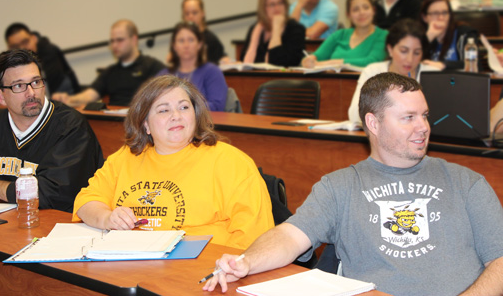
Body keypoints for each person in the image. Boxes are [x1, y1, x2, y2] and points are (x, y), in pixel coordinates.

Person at [205, 72, 503, 295]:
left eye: (424, 115)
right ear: (373, 124)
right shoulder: (340, 187)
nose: (423, 127)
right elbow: (289, 237)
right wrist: (246, 262)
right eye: (408, 117)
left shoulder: (467, 182)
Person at [72, 75, 274, 250]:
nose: (176, 116)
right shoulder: (126, 157)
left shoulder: (232, 163)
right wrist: (107, 218)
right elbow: (86, 202)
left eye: (184, 107)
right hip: (132, 263)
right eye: (163, 110)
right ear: (145, 124)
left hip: (203, 270)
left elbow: (254, 238)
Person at [0, 50, 104, 213]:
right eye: (19, 86)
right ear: (0, 96)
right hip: (10, 223)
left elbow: (50, 195)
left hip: (60, 225)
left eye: (36, 82)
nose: (31, 93)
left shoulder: (71, 126)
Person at [53, 19, 165, 107]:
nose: (114, 45)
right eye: (112, 41)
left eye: (120, 40)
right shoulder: (110, 72)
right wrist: (67, 99)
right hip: (113, 122)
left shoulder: (152, 66)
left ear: (134, 40)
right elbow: (89, 95)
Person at [348, 19, 439, 123]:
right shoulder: (373, 71)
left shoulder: (433, 75)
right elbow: (355, 115)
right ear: (390, 49)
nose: (409, 59)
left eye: (417, 53)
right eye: (403, 51)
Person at [302, 0, 388, 68]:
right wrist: (308, 61)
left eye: (366, 8)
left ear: (373, 10)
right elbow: (316, 56)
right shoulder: (340, 34)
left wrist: (334, 63)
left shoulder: (383, 35)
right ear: (348, 15)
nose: (361, 12)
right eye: (355, 9)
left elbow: (372, 62)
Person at [157, 22, 227, 112]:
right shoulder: (164, 75)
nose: (186, 45)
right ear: (174, 46)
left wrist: (183, 108)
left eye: (191, 40)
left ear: (199, 45)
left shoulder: (212, 72)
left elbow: (217, 106)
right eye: (181, 41)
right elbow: (153, 103)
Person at [5, 22, 80, 95]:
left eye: (25, 42)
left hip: (64, 96)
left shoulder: (50, 51)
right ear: (9, 48)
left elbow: (44, 82)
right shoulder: (11, 63)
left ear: (34, 38)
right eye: (15, 46)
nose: (22, 48)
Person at [241, 0, 305, 67]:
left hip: (283, 78)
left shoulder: (296, 29)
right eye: (272, 4)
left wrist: (277, 29)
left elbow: (276, 62)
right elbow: (243, 60)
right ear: (263, 8)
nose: (277, 8)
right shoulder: (255, 29)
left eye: (280, 3)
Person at [420, 0, 479, 70]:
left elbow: (475, 65)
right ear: (424, 17)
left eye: (444, 13)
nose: (441, 18)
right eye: (435, 13)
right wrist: (427, 38)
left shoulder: (464, 34)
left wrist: (443, 65)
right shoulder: (419, 36)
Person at [181, 0, 227, 64]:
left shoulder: (211, 39)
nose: (190, 16)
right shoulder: (179, 39)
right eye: (187, 13)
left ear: (203, 13)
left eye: (194, 12)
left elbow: (220, 61)